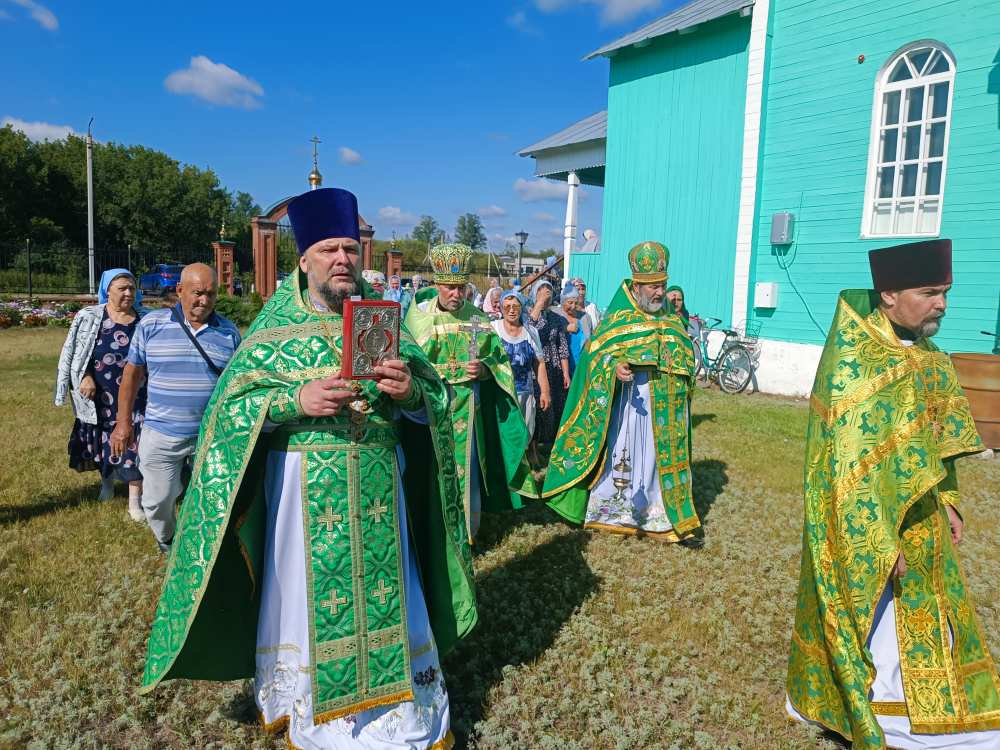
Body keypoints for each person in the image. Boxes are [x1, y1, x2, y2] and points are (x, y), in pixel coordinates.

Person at [139, 188, 477, 750]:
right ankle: (313, 708)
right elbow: (227, 411)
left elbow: (435, 401)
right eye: (328, 250)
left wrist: (411, 391)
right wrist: (294, 399)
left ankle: (400, 711)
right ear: (304, 259)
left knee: (390, 593)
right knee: (303, 596)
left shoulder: (383, 321)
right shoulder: (273, 331)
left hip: (378, 492)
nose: (342, 259)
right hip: (303, 497)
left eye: (349, 248)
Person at [786, 239, 1000, 749]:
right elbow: (844, 467)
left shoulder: (931, 359)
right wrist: (880, 539)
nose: (942, 304)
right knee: (871, 609)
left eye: (945, 293)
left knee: (927, 608)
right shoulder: (854, 360)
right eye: (929, 292)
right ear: (888, 294)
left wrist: (948, 499)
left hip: (921, 516)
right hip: (862, 523)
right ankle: (865, 703)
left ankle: (921, 701)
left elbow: (936, 446)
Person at [542, 242, 699, 544]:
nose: (659, 292)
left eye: (662, 285)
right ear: (637, 285)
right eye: (653, 286)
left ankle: (657, 512)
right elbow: (596, 357)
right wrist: (614, 368)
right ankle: (611, 511)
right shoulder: (617, 318)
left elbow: (684, 358)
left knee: (655, 460)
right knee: (621, 453)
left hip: (660, 409)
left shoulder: (670, 319)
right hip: (625, 406)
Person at [405, 242, 537, 542]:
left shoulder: (478, 320)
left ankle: (467, 531)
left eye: (461, 287)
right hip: (431, 412)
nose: (455, 294)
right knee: (433, 471)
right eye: (449, 287)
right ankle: (434, 533)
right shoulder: (418, 320)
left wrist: (486, 369)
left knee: (469, 473)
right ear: (437, 284)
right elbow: (409, 363)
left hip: (470, 412)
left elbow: (500, 363)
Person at [110, 263, 241, 553]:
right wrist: (123, 423)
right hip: (161, 432)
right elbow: (131, 376)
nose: (204, 301)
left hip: (210, 436)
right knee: (158, 500)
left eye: (211, 294)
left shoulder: (229, 333)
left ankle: (205, 550)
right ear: (180, 291)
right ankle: (167, 540)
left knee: (213, 498)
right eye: (197, 293)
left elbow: (237, 384)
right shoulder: (152, 325)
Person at [55, 268, 146, 520]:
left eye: (131, 288)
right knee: (103, 440)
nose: (128, 293)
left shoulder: (145, 319)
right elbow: (75, 352)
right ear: (108, 291)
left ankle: (134, 502)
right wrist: (84, 376)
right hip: (101, 396)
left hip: (138, 397)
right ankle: (106, 483)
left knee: (134, 442)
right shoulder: (89, 317)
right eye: (122, 289)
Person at [491, 290, 550, 439]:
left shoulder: (531, 332)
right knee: (502, 437)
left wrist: (545, 392)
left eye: (516, 306)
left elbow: (539, 363)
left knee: (524, 435)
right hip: (500, 394)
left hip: (525, 394)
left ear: (522, 307)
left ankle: (523, 461)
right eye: (507, 306)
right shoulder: (493, 329)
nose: (511, 310)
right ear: (501, 308)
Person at [524, 280, 571, 450]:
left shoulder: (556, 318)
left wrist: (566, 373)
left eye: (549, 292)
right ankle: (532, 446)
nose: (546, 295)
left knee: (553, 404)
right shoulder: (526, 312)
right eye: (542, 291)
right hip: (535, 366)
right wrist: (539, 305)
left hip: (554, 366)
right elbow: (529, 328)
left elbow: (562, 346)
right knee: (536, 404)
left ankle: (548, 442)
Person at [552, 281, 593, 375]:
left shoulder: (585, 318)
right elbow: (548, 336)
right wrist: (565, 329)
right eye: (570, 302)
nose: (573, 306)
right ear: (562, 302)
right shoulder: (555, 314)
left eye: (576, 303)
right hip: (560, 368)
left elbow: (591, 341)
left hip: (581, 367)